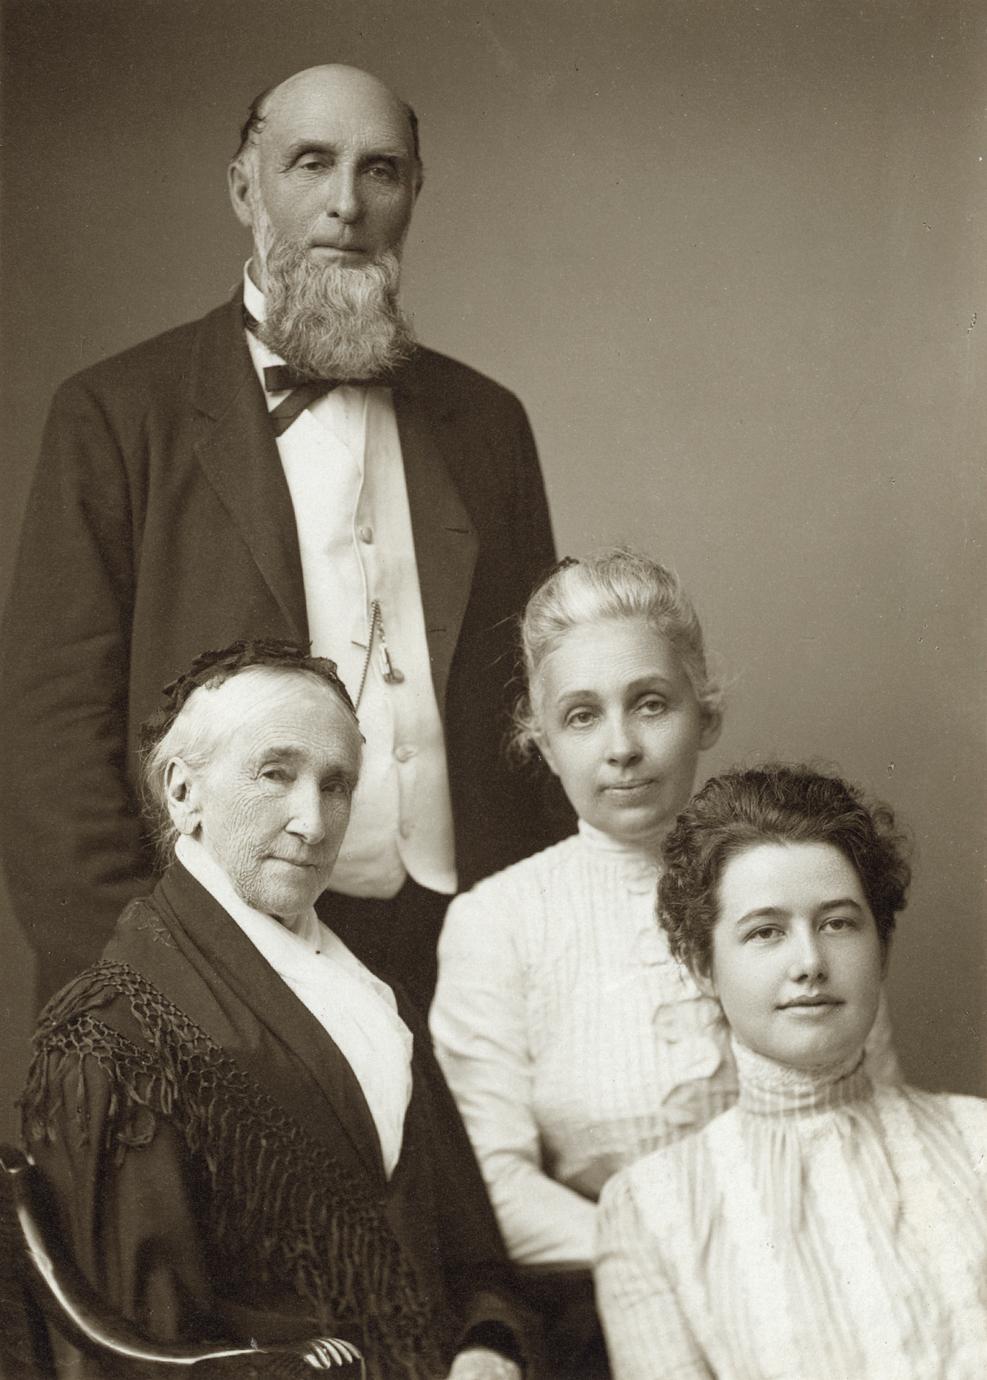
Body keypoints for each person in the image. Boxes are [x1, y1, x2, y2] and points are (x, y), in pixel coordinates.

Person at [0, 64, 560, 1011]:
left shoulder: (486, 419)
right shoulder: (116, 412)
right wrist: (140, 976)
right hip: (215, 958)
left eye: (380, 170)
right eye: (310, 164)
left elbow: (537, 701)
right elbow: (48, 736)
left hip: (464, 947)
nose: (346, 204)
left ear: (413, 195)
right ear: (244, 187)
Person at [429, 552, 904, 1378]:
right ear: (540, 743)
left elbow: (879, 1127)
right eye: (580, 717)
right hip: (606, 1314)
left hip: (823, 1284)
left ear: (704, 713)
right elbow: (493, 1190)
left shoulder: (798, 877)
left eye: (649, 704)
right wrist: (675, 1254)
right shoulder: (495, 923)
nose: (620, 747)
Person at [20, 639, 533, 1380]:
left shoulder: (378, 1003)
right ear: (182, 792)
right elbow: (151, 1354)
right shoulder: (116, 1035)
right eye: (275, 774)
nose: (314, 823)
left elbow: (472, 1260)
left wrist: (489, 1346)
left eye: (336, 785)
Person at [595, 764, 987, 1380]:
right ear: (702, 965)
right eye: (766, 932)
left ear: (880, 949)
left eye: (837, 923)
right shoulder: (652, 1211)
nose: (809, 961)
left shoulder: (977, 1143)